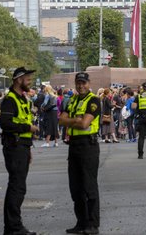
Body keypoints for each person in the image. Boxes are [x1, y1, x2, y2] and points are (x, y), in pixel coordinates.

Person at [59, 72, 101, 235]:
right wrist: (74, 120)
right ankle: (81, 222)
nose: (81, 86)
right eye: (78, 83)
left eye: (83, 83)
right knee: (75, 187)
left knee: (89, 186)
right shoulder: (73, 100)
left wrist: (74, 121)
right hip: (74, 146)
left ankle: (92, 224)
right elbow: (61, 120)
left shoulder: (93, 100)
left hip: (88, 146)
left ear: (89, 83)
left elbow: (84, 124)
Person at [0, 67, 39, 235]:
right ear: (18, 79)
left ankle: (13, 226)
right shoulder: (10, 100)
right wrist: (28, 127)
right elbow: (5, 124)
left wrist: (28, 147)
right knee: (17, 187)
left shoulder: (23, 99)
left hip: (21, 146)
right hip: (14, 147)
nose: (30, 81)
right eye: (28, 79)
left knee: (18, 186)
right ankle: (13, 227)